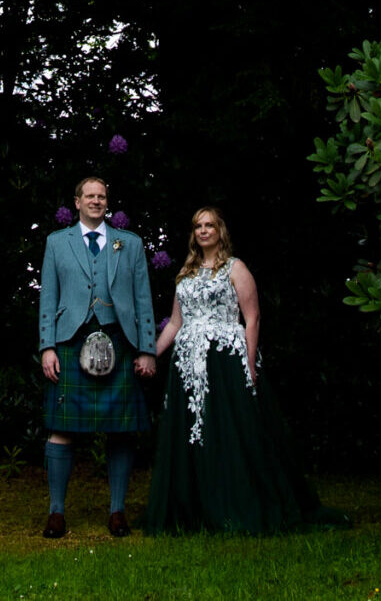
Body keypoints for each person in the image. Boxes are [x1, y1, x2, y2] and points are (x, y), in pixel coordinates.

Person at [144, 207, 343, 535]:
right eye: (198, 226)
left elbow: (252, 318)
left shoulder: (236, 268)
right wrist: (151, 354)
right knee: (194, 436)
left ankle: (239, 503)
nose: (203, 231)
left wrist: (249, 363)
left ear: (220, 231)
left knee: (231, 432)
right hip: (189, 366)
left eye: (210, 225)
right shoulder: (186, 272)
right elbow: (176, 323)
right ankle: (197, 508)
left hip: (226, 361)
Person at [36, 176, 157, 538]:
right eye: (89, 196)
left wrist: (147, 349)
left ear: (107, 202)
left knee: (121, 431)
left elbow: (143, 299)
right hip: (70, 342)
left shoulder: (129, 243)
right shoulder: (56, 242)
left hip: (119, 341)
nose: (96, 201)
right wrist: (47, 346)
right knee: (61, 429)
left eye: (101, 196)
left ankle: (117, 511)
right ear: (77, 202)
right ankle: (56, 512)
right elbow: (47, 298)